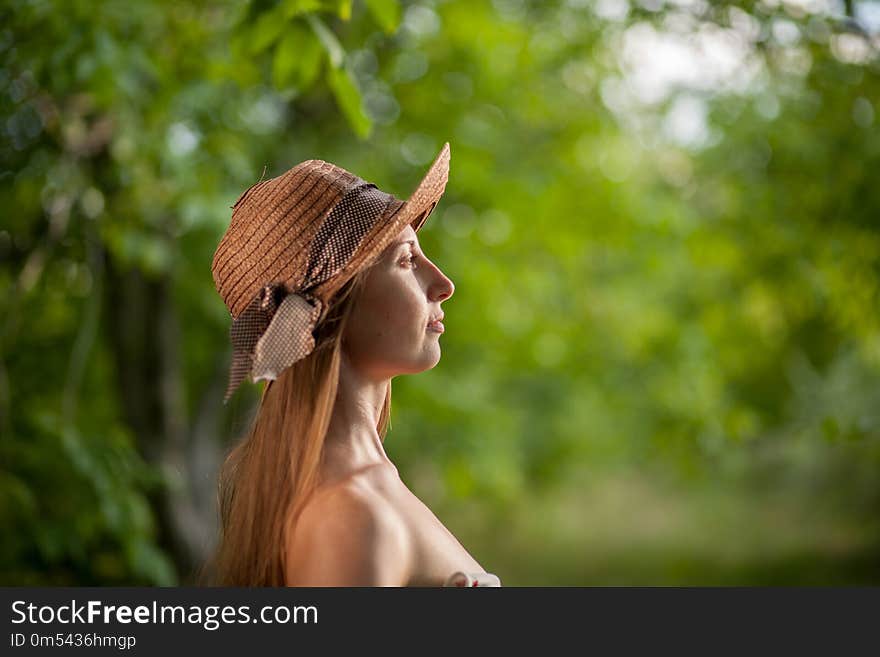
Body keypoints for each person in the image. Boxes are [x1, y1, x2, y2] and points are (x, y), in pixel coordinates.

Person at [203, 143, 502, 587]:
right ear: (336, 305)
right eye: (405, 260)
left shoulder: (368, 489)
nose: (443, 283)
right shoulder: (353, 517)